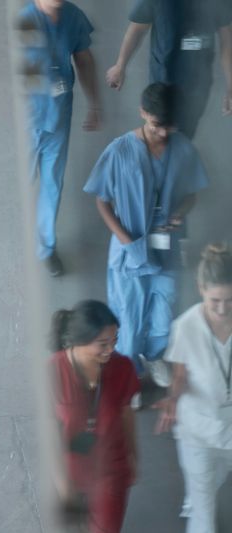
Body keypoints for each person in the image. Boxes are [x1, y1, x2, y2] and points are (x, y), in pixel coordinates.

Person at [83, 82, 209, 394]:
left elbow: (191, 194)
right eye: (156, 124)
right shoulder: (120, 151)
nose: (163, 133)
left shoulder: (182, 148)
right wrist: (126, 240)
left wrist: (179, 213)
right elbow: (102, 200)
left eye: (168, 125)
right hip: (131, 251)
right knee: (129, 318)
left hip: (166, 249)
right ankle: (131, 373)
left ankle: (153, 357)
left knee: (164, 314)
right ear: (143, 113)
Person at [19, 0, 101, 276]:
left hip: (58, 117)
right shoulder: (24, 20)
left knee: (51, 185)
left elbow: (84, 60)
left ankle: (46, 247)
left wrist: (94, 103)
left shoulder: (73, 16)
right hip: (27, 122)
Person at [156, 243, 232, 532]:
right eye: (215, 301)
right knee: (202, 511)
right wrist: (172, 400)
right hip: (198, 427)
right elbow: (180, 375)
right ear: (201, 289)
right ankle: (197, 498)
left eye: (229, 300)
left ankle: (200, 488)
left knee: (218, 474)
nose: (223, 309)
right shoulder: (185, 326)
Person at [50, 300, 139, 533]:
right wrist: (63, 484)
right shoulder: (54, 371)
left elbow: (126, 414)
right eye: (103, 344)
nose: (111, 350)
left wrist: (134, 455)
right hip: (72, 469)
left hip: (111, 468)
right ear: (80, 341)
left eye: (114, 341)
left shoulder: (123, 367)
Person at [105, 0, 232, 139]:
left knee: (184, 138)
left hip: (197, 86)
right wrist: (120, 65)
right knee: (159, 134)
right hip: (163, 80)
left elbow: (227, 42)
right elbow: (137, 29)